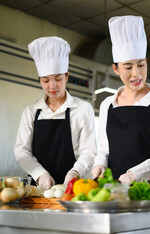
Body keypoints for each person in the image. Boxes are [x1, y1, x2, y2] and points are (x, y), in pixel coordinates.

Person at [91, 16, 150, 184]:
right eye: (128, 67)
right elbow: (104, 150)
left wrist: (134, 174)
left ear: (146, 62)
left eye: (141, 65)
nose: (136, 74)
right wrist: (99, 164)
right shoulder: (107, 105)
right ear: (116, 69)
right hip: (113, 192)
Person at [14, 37, 97, 190]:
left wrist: (75, 172)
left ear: (66, 76)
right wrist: (40, 174)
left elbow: (89, 151)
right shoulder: (31, 111)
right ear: (39, 80)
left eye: (58, 79)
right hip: (38, 189)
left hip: (74, 188)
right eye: (45, 81)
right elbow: (21, 151)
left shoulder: (83, 109)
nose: (52, 86)